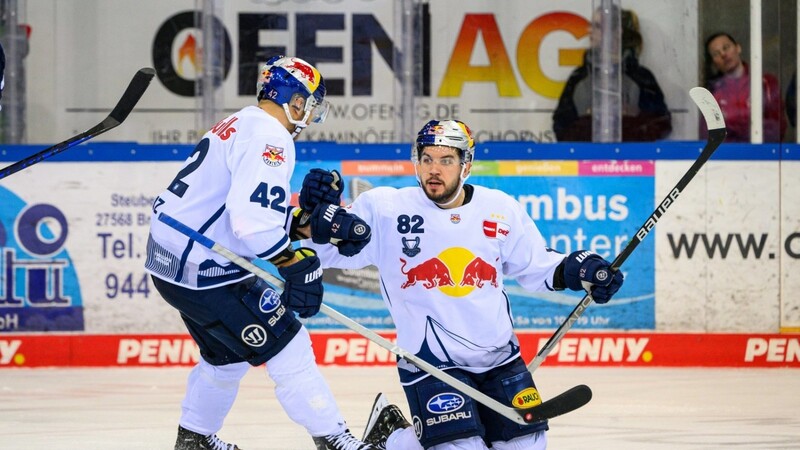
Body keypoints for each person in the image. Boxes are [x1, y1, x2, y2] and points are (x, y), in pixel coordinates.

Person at [294, 120, 624, 449]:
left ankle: (395, 434)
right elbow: (326, 255)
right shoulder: (386, 209)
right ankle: (391, 439)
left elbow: (539, 267)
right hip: (431, 361)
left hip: (499, 358)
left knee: (528, 447)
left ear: (466, 164)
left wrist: (582, 269)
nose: (434, 170)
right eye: (427, 159)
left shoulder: (499, 209)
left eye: (446, 160)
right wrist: (317, 219)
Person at [144, 55, 376, 450]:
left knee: (225, 356)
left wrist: (308, 223)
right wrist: (290, 260)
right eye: (310, 105)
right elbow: (251, 223)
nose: (309, 116)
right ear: (295, 101)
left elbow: (243, 210)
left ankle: (194, 438)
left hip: (173, 263)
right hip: (204, 270)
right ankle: (334, 439)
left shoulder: (241, 122)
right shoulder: (272, 135)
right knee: (290, 344)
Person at [552, 8, 672, 141]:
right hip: (587, 160)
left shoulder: (641, 77)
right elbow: (561, 127)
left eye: (597, 26)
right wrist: (589, 122)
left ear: (617, 32)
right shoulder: (578, 77)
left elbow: (661, 124)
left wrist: (627, 122)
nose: (589, 31)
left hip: (632, 160)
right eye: (591, 25)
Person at [704, 32, 786, 142]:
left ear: (738, 48)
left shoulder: (766, 83)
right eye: (716, 54)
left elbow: (777, 128)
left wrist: (733, 128)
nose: (723, 54)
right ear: (713, 63)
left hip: (764, 155)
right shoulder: (712, 92)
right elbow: (708, 135)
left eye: (726, 47)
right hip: (726, 156)